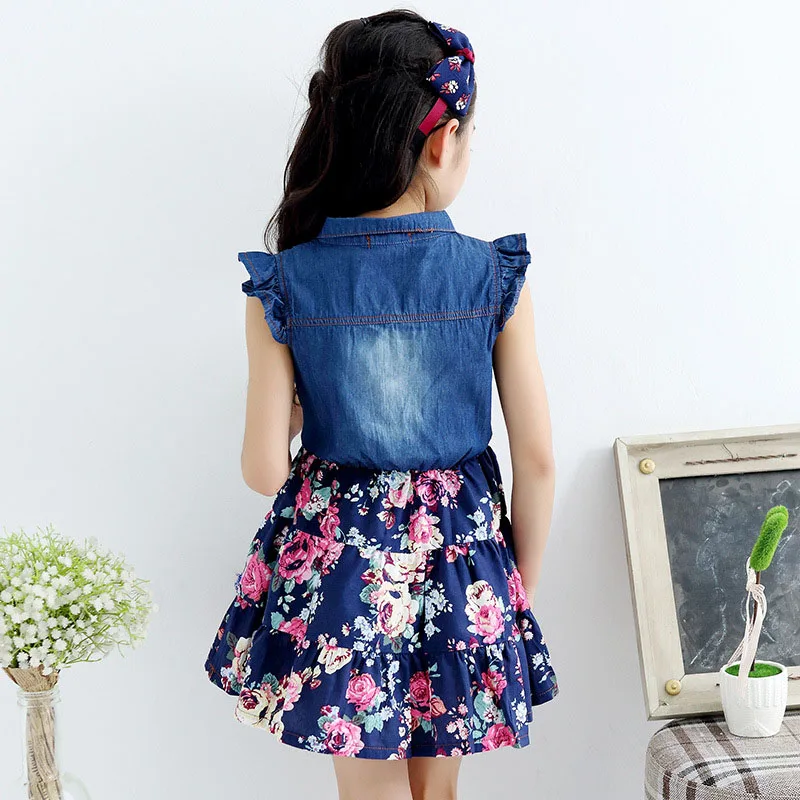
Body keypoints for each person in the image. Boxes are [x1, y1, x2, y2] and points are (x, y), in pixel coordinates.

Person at [204, 10, 559, 799]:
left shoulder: (283, 282)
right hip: (461, 554)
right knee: (439, 792)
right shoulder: (492, 274)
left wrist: (307, 408)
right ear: (443, 141)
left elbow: (264, 471)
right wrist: (518, 584)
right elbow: (536, 460)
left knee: (369, 793)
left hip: (341, 563)